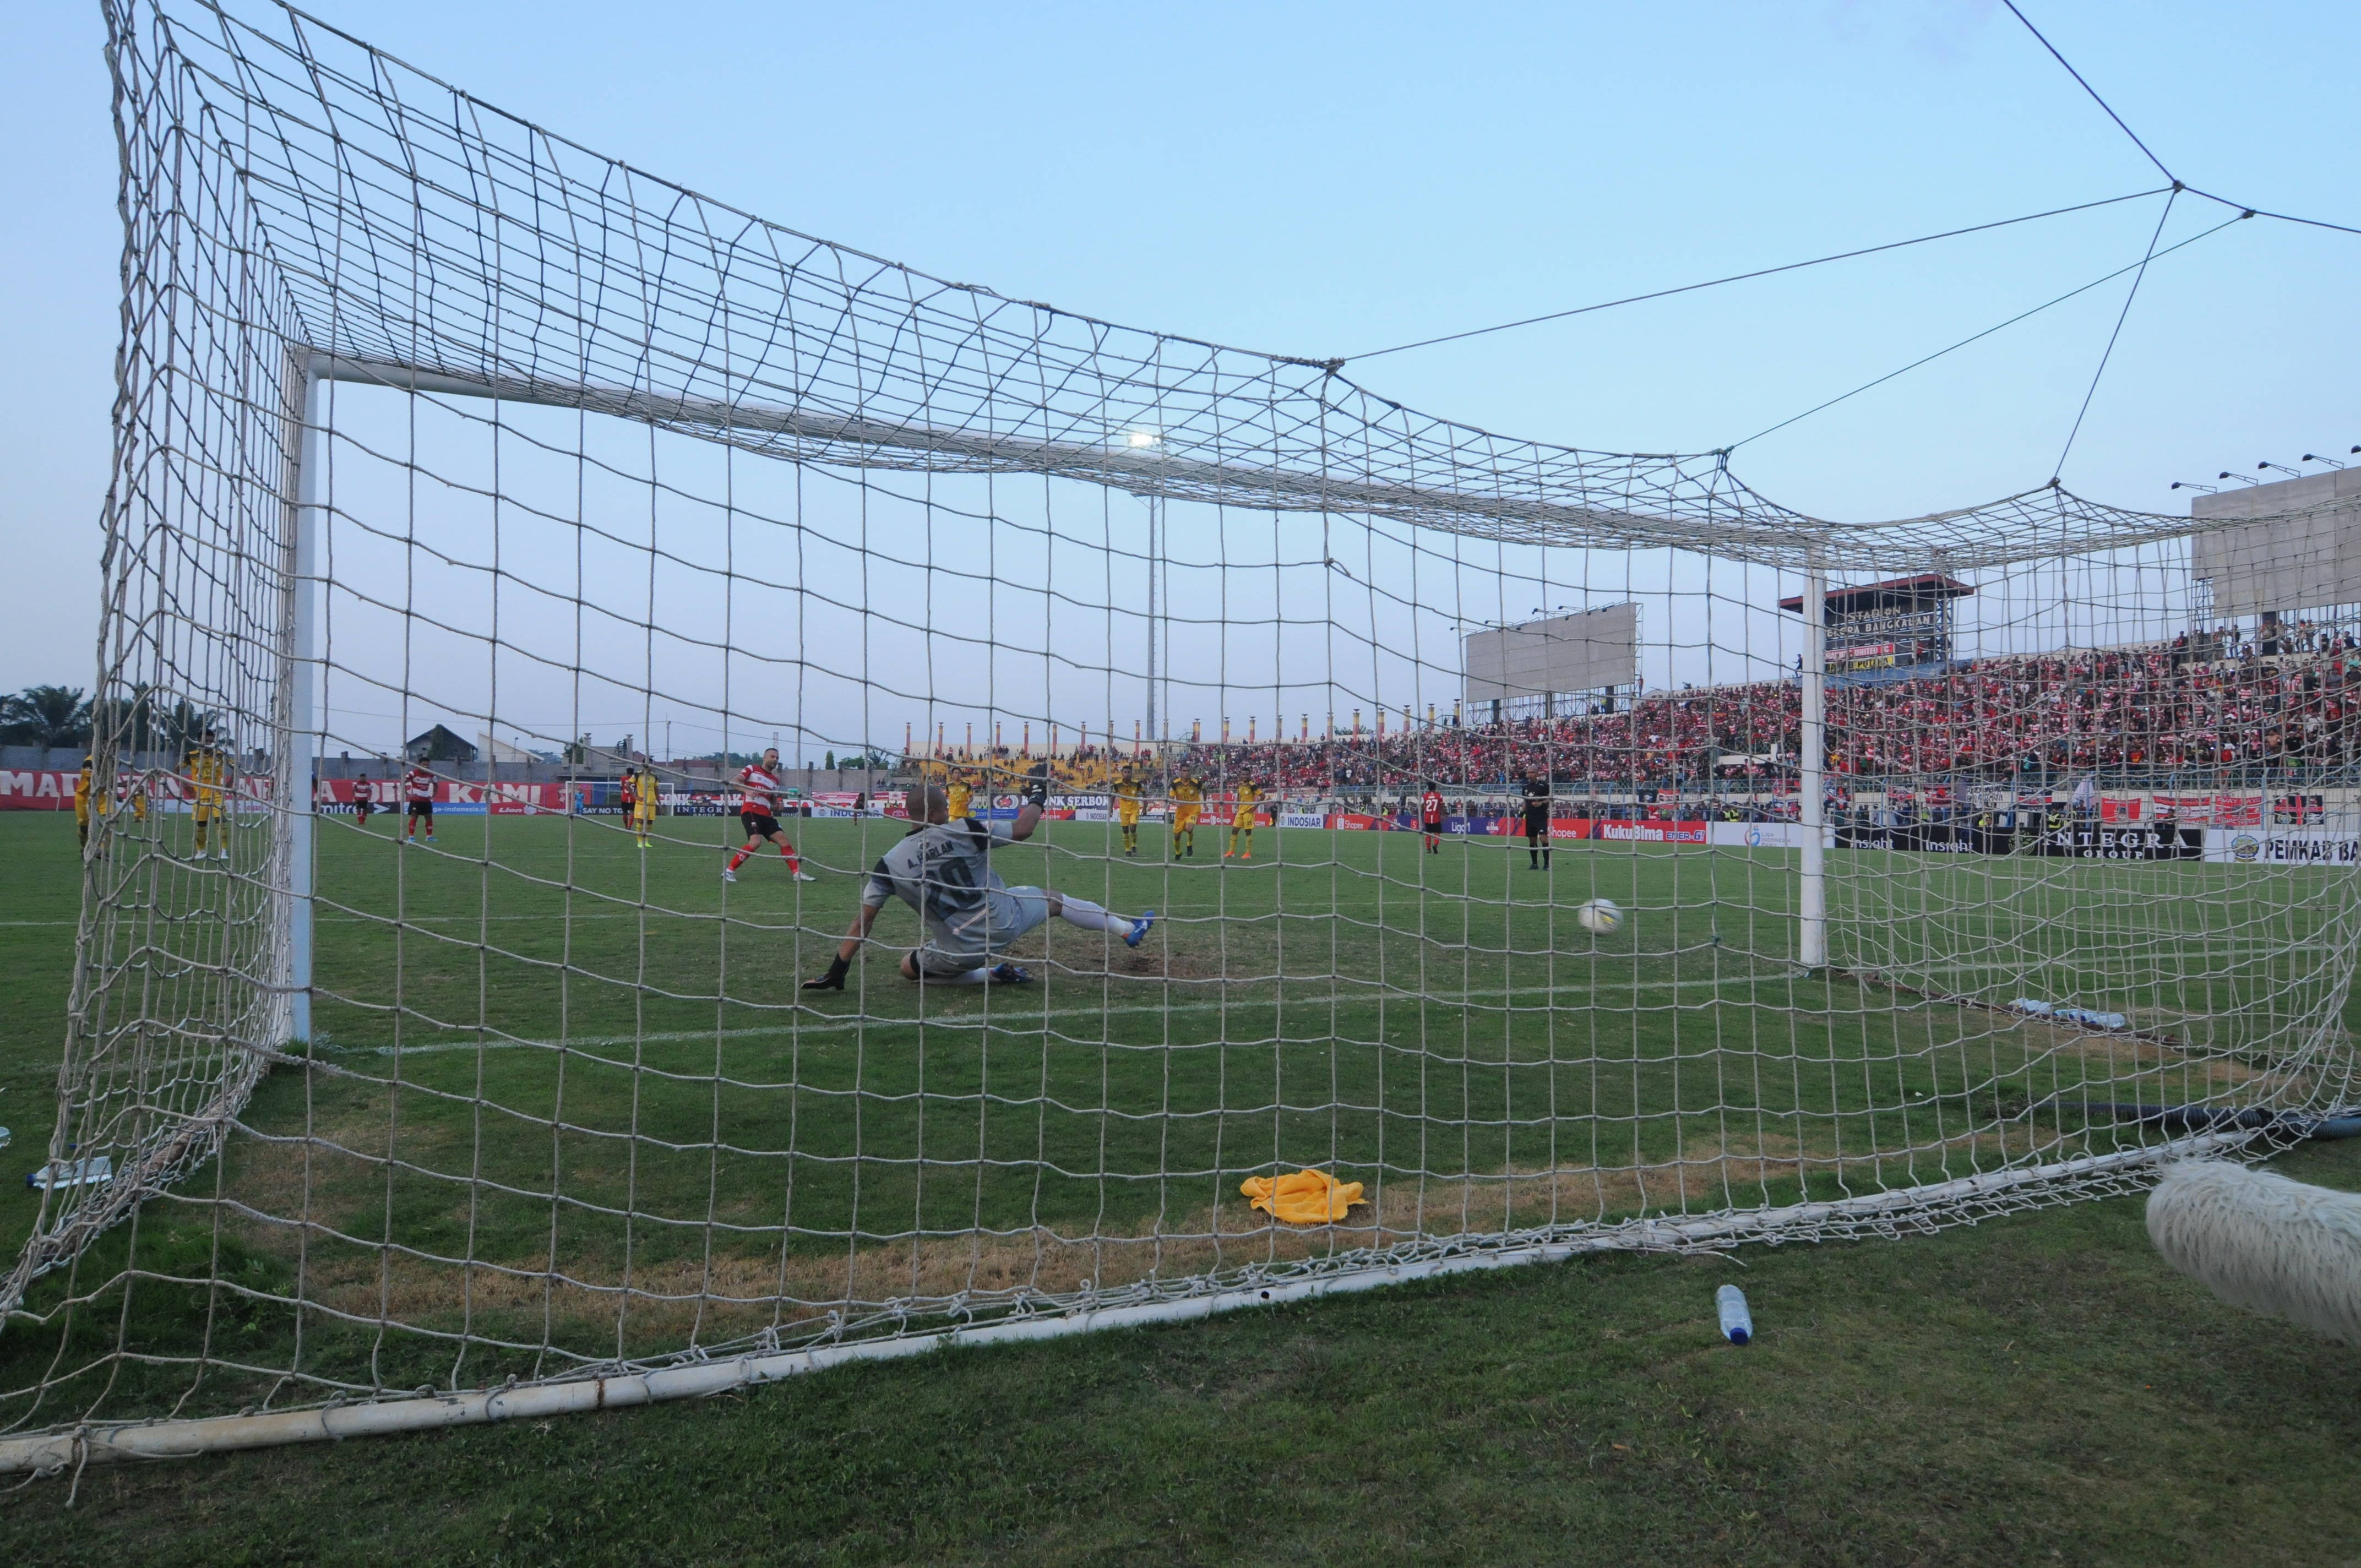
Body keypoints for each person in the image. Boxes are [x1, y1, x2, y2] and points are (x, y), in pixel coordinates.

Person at [802, 769, 1153, 991]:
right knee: (1054, 900)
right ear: (941, 810)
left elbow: (862, 923)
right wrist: (1037, 795)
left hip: (959, 951)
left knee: (908, 969)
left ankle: (992, 975)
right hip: (1004, 920)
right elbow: (1024, 829)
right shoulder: (964, 829)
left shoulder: (888, 864)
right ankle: (1125, 928)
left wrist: (837, 970)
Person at [723, 747, 814, 883]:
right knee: (755, 843)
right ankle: (729, 872)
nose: (775, 760)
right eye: (772, 757)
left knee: (784, 841)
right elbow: (734, 781)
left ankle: (797, 874)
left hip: (767, 815)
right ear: (764, 758)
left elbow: (772, 803)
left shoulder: (775, 781)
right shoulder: (752, 769)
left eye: (777, 758)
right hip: (751, 811)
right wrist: (747, 791)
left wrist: (778, 806)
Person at [186, 726, 229, 859]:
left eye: (211, 741)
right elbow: (176, 770)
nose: (209, 744)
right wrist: (186, 788)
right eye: (207, 741)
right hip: (201, 797)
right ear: (200, 741)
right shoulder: (191, 756)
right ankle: (201, 852)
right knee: (201, 827)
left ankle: (223, 852)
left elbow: (236, 767)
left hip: (217, 795)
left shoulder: (220, 755)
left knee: (221, 822)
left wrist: (229, 785)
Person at [1521, 772, 1552, 870]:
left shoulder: (1544, 785)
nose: (1530, 774)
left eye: (1532, 772)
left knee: (1544, 839)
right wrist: (1522, 812)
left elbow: (1551, 799)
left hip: (1541, 817)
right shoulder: (1525, 786)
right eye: (1529, 773)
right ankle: (1534, 864)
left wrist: (1541, 803)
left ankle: (1547, 865)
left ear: (1537, 774)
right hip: (1530, 817)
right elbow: (1525, 801)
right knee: (1532, 840)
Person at [1225, 778, 1261, 860]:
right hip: (1240, 811)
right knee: (1234, 830)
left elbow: (1263, 796)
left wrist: (1255, 807)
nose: (1245, 776)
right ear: (1241, 775)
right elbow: (1239, 795)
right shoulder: (1240, 784)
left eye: (1246, 775)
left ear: (1249, 775)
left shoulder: (1253, 786)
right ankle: (1231, 852)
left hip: (1248, 811)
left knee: (1248, 832)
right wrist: (1238, 803)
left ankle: (1248, 853)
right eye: (1243, 775)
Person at [1169, 771, 1204, 858]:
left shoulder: (1196, 783)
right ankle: (1178, 852)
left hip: (1193, 811)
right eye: (1184, 771)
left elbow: (1205, 790)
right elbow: (1171, 799)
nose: (1187, 773)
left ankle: (1190, 844)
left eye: (1188, 771)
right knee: (1177, 836)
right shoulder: (1175, 784)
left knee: (1189, 829)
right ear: (1181, 772)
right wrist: (1176, 804)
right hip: (1180, 814)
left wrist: (1206, 803)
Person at [627, 760, 660, 848]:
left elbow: (656, 790)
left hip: (651, 803)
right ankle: (639, 841)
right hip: (642, 803)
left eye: (650, 764)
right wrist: (635, 796)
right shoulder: (638, 775)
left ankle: (647, 841)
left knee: (650, 822)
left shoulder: (654, 777)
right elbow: (628, 785)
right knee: (641, 821)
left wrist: (659, 802)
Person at [403, 760, 437, 845]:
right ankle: (411, 837)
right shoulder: (413, 773)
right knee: (414, 816)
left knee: (429, 817)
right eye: (424, 765)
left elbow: (436, 784)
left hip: (426, 799)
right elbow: (403, 781)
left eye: (427, 765)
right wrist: (406, 793)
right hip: (416, 799)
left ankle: (429, 837)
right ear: (419, 765)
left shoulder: (431, 774)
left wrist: (433, 795)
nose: (425, 766)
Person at [1114, 769, 1144, 857]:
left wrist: (1145, 807)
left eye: (1129, 772)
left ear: (1132, 773)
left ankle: (1134, 845)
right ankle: (1127, 849)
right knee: (1125, 830)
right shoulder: (1117, 784)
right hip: (1123, 810)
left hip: (1134, 809)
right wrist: (1110, 809)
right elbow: (1113, 796)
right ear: (1122, 773)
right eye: (1125, 772)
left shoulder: (1136, 783)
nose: (1127, 774)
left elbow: (1144, 793)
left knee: (1133, 828)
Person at [73, 754, 93, 850]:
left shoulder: (111, 760)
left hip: (100, 795)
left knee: (111, 820)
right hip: (84, 797)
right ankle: (84, 848)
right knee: (84, 828)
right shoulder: (89, 762)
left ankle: (103, 850)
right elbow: (93, 779)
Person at [1421, 782, 1446, 854]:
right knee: (1437, 833)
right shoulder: (1439, 795)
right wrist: (1443, 815)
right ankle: (1435, 845)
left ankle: (1428, 849)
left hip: (1427, 817)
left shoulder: (1424, 796)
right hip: (1436, 817)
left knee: (1428, 833)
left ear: (1428, 788)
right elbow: (1442, 807)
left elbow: (1422, 808)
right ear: (1435, 788)